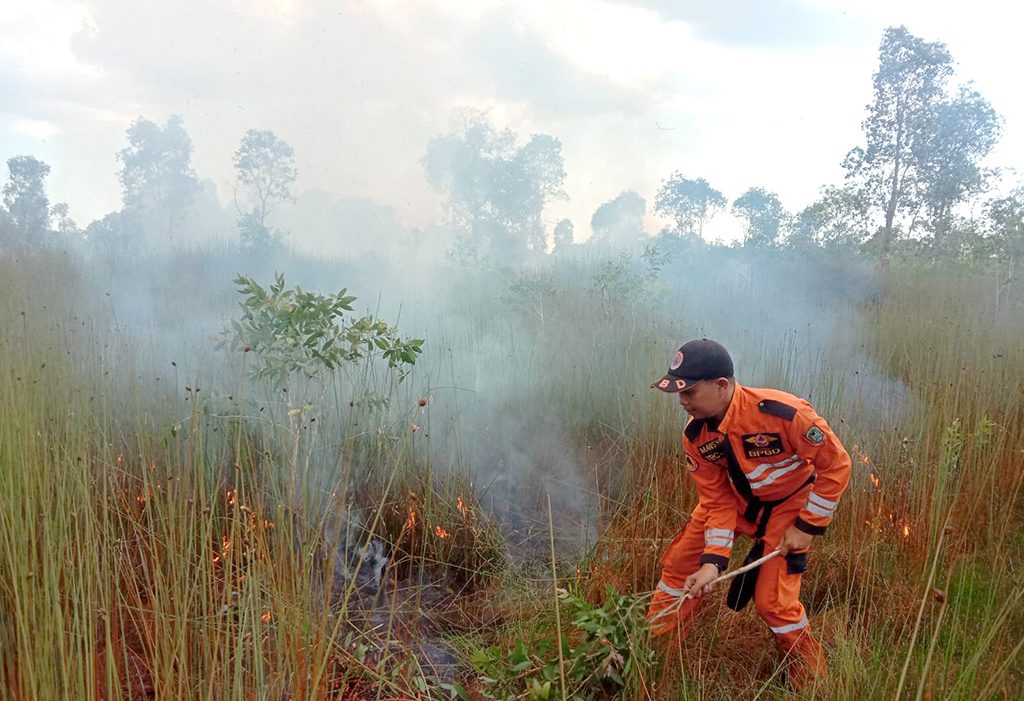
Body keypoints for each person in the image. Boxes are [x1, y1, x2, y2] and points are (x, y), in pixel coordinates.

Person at [647, 338, 851, 689]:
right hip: (737, 505)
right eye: (678, 393)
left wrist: (806, 526)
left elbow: (836, 465)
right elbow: (716, 502)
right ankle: (650, 664)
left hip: (789, 507)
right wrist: (713, 561)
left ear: (721, 385)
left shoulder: (784, 413)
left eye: (690, 392)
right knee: (679, 569)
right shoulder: (695, 436)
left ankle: (812, 685)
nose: (682, 402)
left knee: (773, 603)